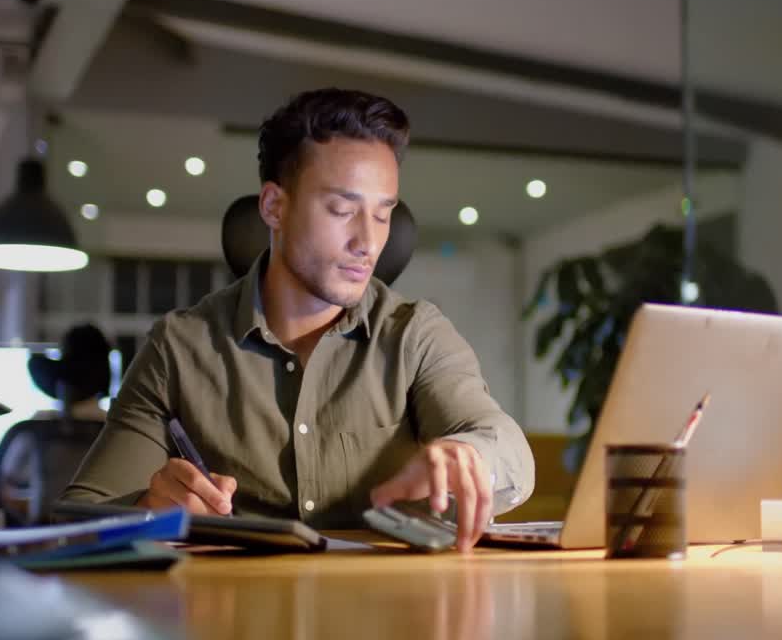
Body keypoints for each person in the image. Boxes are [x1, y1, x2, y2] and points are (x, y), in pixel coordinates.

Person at [63, 88, 534, 551]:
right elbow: (81, 515)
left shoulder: (415, 335)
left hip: (389, 611)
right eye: (343, 210)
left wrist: (472, 457)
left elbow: (507, 448)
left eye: (383, 214)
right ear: (274, 207)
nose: (368, 242)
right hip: (233, 617)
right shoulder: (179, 348)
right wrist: (151, 507)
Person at [0, 324, 111, 523]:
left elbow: (1, 490)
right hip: (106, 542)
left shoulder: (35, 428)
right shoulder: (116, 429)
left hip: (41, 543)